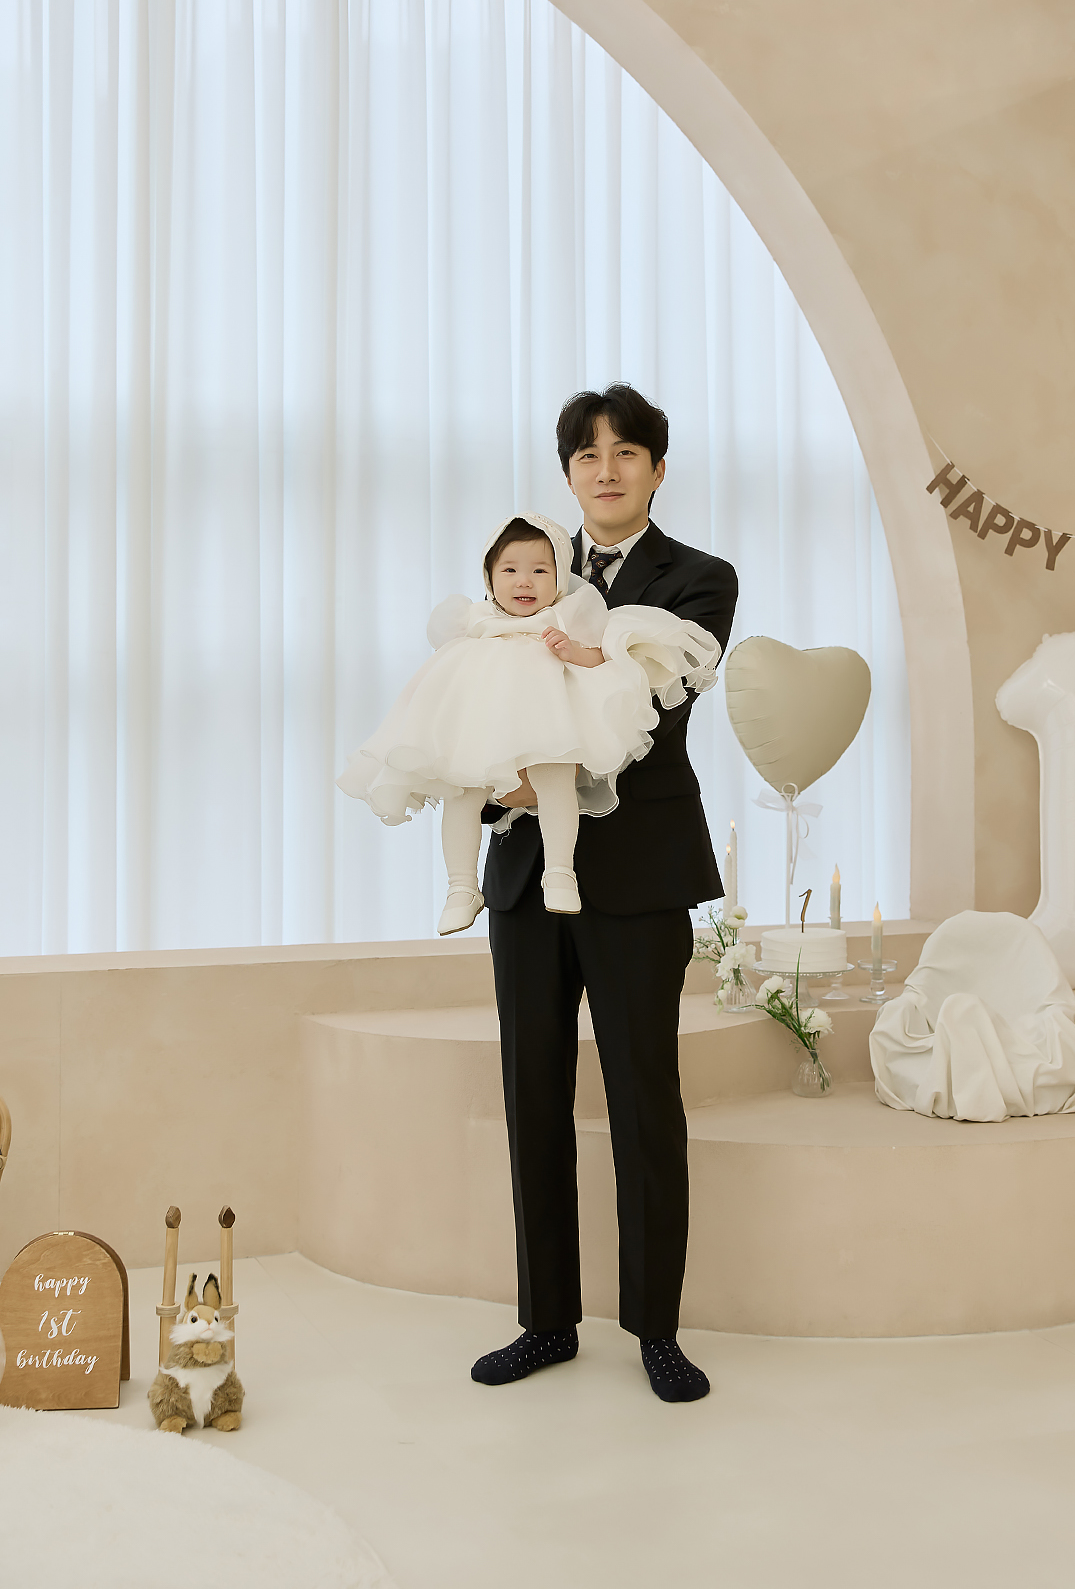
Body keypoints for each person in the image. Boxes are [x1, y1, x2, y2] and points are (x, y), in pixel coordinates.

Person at [473, 384, 738, 1404]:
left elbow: (654, 716)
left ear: (658, 469)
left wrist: (532, 772)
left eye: (627, 452)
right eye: (588, 455)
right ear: (567, 474)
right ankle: (546, 1322)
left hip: (639, 876)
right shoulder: (525, 568)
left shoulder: (700, 580)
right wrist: (492, 784)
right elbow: (477, 691)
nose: (607, 469)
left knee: (643, 1100)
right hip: (525, 875)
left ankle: (656, 1330)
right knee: (532, 1096)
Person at [336, 512, 720, 934]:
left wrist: (573, 651)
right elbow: (447, 678)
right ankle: (461, 886)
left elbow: (606, 660)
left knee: (555, 781)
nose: (524, 582)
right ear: (489, 577)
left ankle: (559, 872)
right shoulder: (473, 620)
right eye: (510, 571)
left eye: (540, 571)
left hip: (551, 724)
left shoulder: (569, 614)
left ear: (560, 577)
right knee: (461, 793)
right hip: (484, 731)